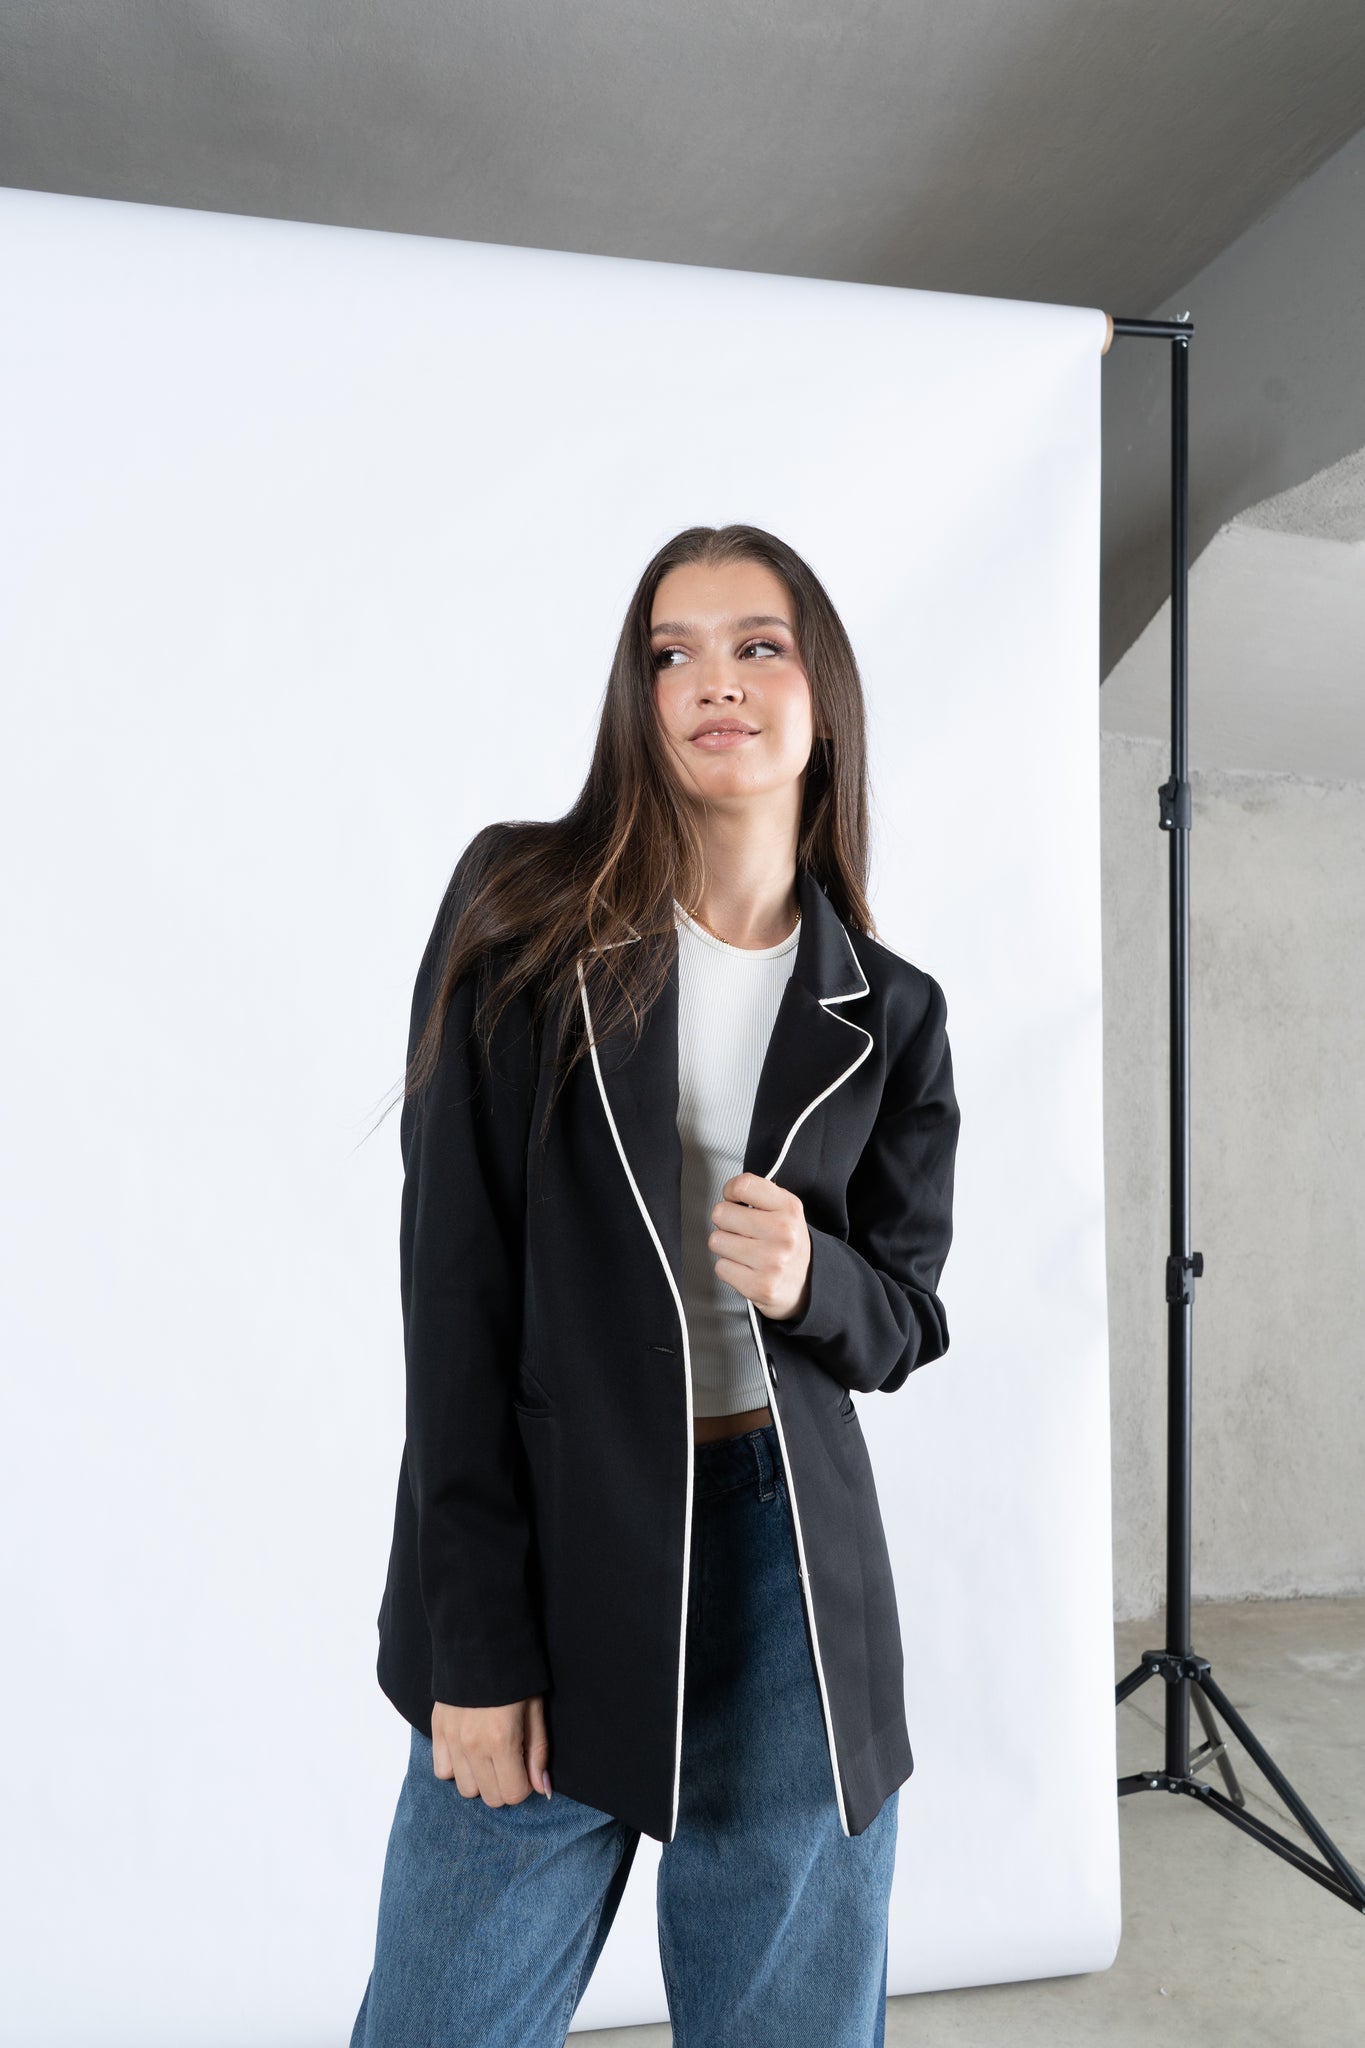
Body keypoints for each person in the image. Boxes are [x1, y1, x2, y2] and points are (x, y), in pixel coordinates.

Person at [350, 523, 961, 2048]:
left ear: (823, 694)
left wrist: (812, 1280)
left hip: (787, 1573)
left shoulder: (887, 1012)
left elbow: (904, 1318)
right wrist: (476, 1650)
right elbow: (452, 1300)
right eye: (670, 653)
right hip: (559, 1547)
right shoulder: (521, 910)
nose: (713, 681)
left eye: (757, 646)